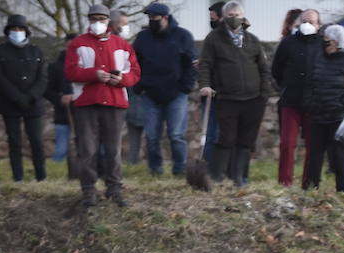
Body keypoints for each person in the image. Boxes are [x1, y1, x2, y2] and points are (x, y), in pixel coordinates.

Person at [65, 3, 141, 208]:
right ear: (88, 20)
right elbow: (70, 71)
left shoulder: (123, 45)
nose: (98, 22)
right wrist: (93, 74)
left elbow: (134, 73)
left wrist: (121, 80)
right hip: (86, 102)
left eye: (102, 19)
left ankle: (114, 188)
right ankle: (89, 189)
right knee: (88, 149)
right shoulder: (77, 44)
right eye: (94, 19)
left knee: (113, 149)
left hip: (115, 102)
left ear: (109, 21)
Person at [198, 0, 268, 188]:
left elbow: (262, 67)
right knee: (226, 138)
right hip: (227, 98)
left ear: (243, 16)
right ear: (224, 17)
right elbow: (205, 64)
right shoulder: (214, 38)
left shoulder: (252, 39)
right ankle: (218, 176)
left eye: (237, 15)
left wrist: (264, 93)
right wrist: (205, 85)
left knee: (245, 141)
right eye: (230, 15)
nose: (234, 18)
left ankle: (239, 178)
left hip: (253, 99)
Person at [132, 2, 195, 177]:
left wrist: (185, 87)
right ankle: (155, 170)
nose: (152, 21)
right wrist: (138, 86)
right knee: (152, 136)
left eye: (155, 18)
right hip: (150, 94)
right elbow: (134, 63)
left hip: (176, 94)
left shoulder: (183, 36)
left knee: (176, 135)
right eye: (149, 18)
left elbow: (190, 64)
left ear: (166, 18)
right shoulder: (143, 38)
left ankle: (179, 170)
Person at [301, 24, 344, 193]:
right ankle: (311, 187)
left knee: (339, 156)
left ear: (336, 43)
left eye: (327, 42)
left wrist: (343, 103)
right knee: (314, 154)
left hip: (337, 115)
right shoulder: (317, 59)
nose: (324, 44)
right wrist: (309, 103)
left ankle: (343, 190)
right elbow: (307, 83)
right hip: (317, 114)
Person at [0, 15, 47, 183]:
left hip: (33, 103)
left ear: (26, 31)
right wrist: (16, 96)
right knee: (14, 141)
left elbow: (43, 77)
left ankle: (41, 176)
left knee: (36, 140)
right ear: (8, 31)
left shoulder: (36, 51)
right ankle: (18, 177)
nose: (17, 32)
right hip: (10, 102)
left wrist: (31, 96)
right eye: (14, 29)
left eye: (20, 29)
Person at [269, 7, 320, 186]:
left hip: (314, 103)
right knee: (287, 144)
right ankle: (285, 182)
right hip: (290, 101)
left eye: (311, 22)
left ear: (318, 25)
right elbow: (276, 70)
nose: (307, 25)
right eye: (304, 21)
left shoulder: (322, 44)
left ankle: (308, 182)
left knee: (313, 146)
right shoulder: (288, 43)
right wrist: (285, 87)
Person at [45, 41, 75, 165]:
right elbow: (47, 90)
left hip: (82, 114)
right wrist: (60, 98)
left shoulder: (85, 64)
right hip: (62, 113)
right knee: (61, 147)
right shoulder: (54, 67)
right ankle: (57, 169)